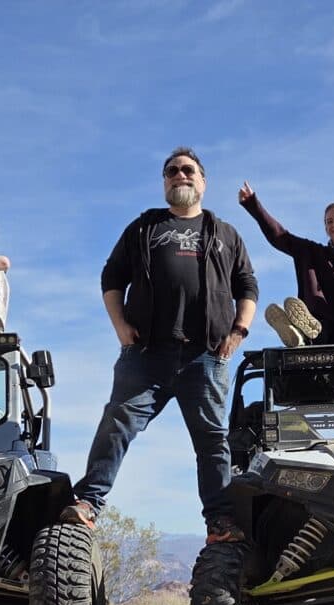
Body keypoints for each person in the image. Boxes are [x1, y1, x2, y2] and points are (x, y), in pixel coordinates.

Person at [61, 147, 258, 543]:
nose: (180, 175)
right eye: (172, 171)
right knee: (117, 423)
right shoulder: (143, 228)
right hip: (145, 355)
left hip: (205, 355)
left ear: (203, 182)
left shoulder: (225, 234)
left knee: (212, 441)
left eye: (188, 170)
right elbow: (111, 277)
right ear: (164, 181)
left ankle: (219, 522)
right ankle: (88, 502)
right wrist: (119, 324)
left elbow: (247, 285)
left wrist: (239, 331)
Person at [238, 182, 334, 345]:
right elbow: (280, 237)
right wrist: (253, 204)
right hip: (320, 323)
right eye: (329, 222)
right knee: (317, 327)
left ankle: (301, 335)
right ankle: (299, 333)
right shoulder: (313, 252)